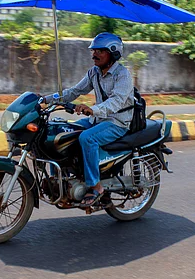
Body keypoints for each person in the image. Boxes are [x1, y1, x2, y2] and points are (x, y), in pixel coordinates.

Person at [43, 32, 134, 207]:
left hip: (117, 122)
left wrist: (92, 110)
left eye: (100, 51)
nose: (95, 55)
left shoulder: (123, 75)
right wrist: (46, 99)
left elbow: (116, 102)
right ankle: (60, 179)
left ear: (113, 53)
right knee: (61, 131)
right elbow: (74, 91)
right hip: (98, 120)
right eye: (94, 51)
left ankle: (96, 186)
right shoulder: (94, 72)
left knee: (87, 138)